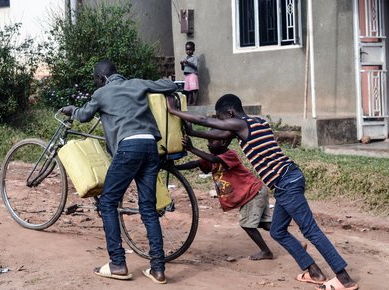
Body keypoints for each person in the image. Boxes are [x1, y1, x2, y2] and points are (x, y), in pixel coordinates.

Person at [166, 94, 358, 290]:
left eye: (222, 119)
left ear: (230, 113)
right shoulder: (258, 122)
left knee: (310, 231)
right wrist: (192, 132)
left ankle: (344, 279)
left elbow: (206, 120)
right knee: (277, 231)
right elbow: (219, 135)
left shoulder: (241, 125)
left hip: (286, 181)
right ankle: (314, 272)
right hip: (286, 182)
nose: (222, 124)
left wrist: (174, 111)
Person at [61, 60, 177, 284]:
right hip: (150, 146)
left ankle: (118, 263)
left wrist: (72, 110)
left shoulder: (102, 93)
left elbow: (84, 116)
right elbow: (168, 86)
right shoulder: (136, 84)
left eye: (96, 79)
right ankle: (158, 270)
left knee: (107, 203)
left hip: (128, 148)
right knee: (148, 209)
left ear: (100, 79)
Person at [175, 129, 274, 260]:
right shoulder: (211, 159)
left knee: (247, 224)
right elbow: (195, 163)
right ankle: (293, 242)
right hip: (255, 191)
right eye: (207, 141)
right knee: (265, 224)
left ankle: (266, 251)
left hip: (252, 193)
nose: (208, 144)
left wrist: (192, 148)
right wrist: (175, 167)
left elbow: (213, 158)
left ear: (223, 141)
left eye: (211, 141)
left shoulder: (229, 155)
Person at [180, 41, 199, 106]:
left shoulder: (194, 57)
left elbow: (195, 66)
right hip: (187, 75)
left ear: (193, 50)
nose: (188, 51)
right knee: (189, 90)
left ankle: (195, 102)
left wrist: (187, 63)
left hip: (192, 75)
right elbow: (183, 69)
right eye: (187, 50)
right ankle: (189, 102)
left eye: (190, 49)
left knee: (194, 89)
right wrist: (182, 64)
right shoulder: (185, 58)